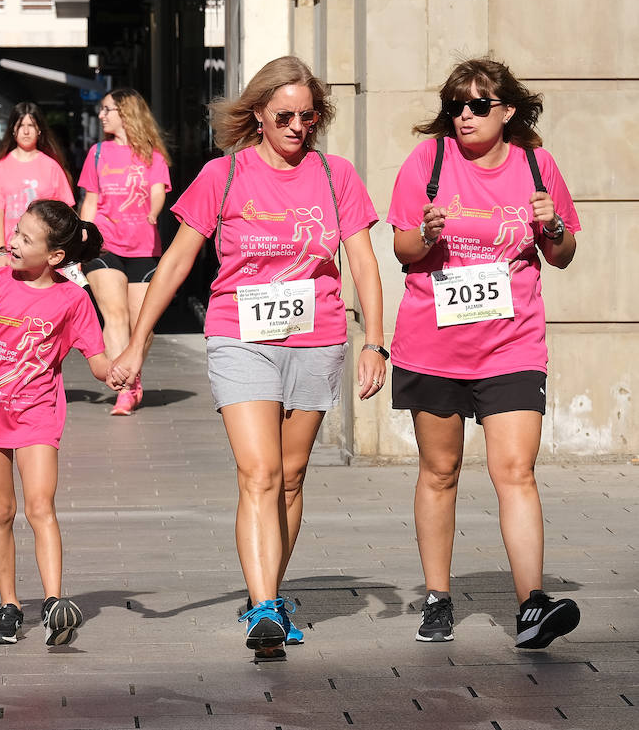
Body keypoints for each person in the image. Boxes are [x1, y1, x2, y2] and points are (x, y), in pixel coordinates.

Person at [107, 56, 386, 660]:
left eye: (307, 116)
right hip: (240, 334)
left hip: (317, 337)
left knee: (290, 476)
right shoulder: (223, 175)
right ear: (257, 115)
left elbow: (363, 262)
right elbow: (177, 262)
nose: (296, 127)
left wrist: (376, 342)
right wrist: (137, 342)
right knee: (258, 472)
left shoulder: (336, 176)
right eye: (283, 115)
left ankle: (273, 592)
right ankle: (264, 607)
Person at [388, 57, 581, 649]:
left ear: (508, 111)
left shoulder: (535, 165)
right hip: (434, 344)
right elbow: (402, 249)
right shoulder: (429, 161)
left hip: (513, 344)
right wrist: (427, 232)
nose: (464, 117)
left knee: (515, 470)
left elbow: (564, 253)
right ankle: (439, 598)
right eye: (455, 106)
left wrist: (552, 229)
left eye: (477, 106)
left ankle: (531, 605)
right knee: (440, 472)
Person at [0, 200, 110, 646]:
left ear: (55, 257)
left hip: (37, 414)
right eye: (17, 232)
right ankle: (8, 605)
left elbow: (100, 364)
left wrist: (121, 370)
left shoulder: (72, 300)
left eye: (26, 239)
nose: (13, 241)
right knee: (0, 510)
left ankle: (52, 604)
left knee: (40, 507)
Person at [77, 88, 172, 415]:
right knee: (115, 316)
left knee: (142, 325)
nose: (101, 115)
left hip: (144, 247)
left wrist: (154, 212)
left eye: (107, 109)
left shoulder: (153, 156)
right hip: (104, 245)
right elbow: (89, 202)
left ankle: (131, 370)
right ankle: (126, 388)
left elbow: (158, 192)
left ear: (126, 112)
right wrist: (82, 242)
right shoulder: (98, 154)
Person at [0, 102, 75, 267]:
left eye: (31, 125)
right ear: (13, 130)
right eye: (20, 125)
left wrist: (71, 252)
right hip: (12, 254)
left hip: (46, 255)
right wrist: (0, 250)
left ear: (39, 130)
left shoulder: (52, 166)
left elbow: (66, 213)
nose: (26, 131)